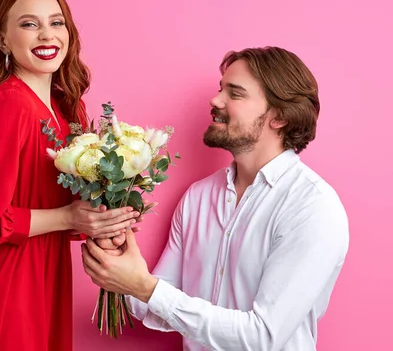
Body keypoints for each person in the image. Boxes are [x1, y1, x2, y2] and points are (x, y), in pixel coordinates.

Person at [81, 46, 350, 350]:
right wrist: (121, 270)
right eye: (220, 88)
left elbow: (262, 337)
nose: (215, 100)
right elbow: (158, 304)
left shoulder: (312, 207)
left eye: (234, 94)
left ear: (279, 117)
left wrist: (145, 287)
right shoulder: (198, 197)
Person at [0, 0, 139, 351]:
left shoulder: (65, 112)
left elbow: (50, 205)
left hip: (48, 275)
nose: (46, 35)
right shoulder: (12, 104)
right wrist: (68, 218)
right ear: (2, 40)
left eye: (56, 22)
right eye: (29, 24)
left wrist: (106, 217)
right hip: (15, 283)